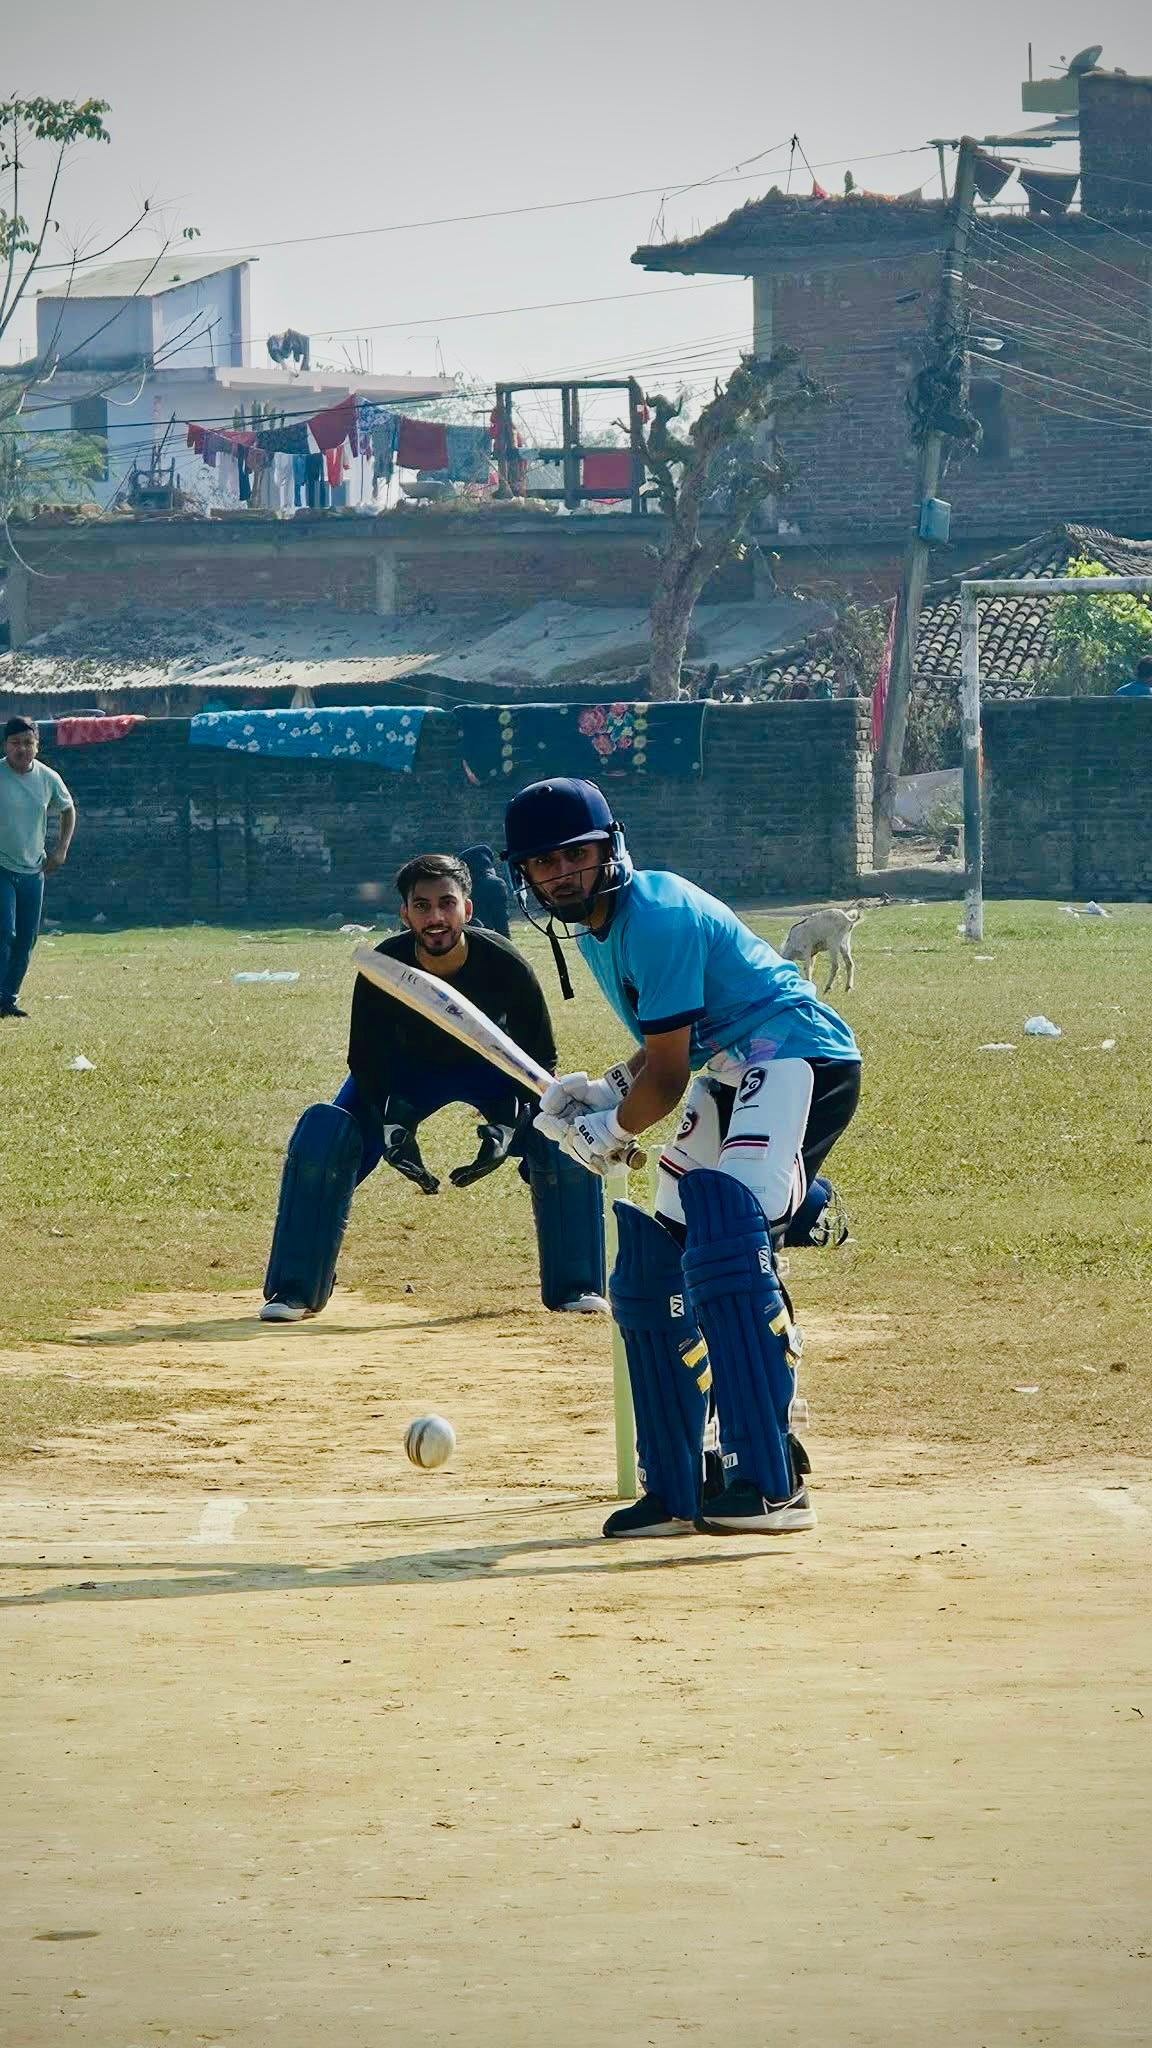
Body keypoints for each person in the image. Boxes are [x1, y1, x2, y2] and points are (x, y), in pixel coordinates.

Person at [502, 777, 861, 1540]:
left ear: (609, 849)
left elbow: (666, 1080)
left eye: (575, 855)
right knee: (656, 1259)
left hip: (799, 1055)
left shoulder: (655, 916)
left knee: (730, 1242)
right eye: (543, 863)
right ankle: (678, 1484)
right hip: (732, 1066)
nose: (561, 874)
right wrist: (606, 1090)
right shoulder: (599, 929)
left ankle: (773, 1479)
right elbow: (671, 1047)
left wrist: (612, 1129)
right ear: (525, 874)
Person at [261, 851, 606, 1322]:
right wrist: (390, 1122)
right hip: (406, 1074)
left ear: (468, 909)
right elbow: (364, 1059)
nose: (436, 917)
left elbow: (540, 1062)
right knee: (325, 1135)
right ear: (405, 914)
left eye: (447, 903)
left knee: (568, 1128)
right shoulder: (385, 966)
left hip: (492, 1072)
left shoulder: (505, 964)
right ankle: (294, 1288)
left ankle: (576, 1285)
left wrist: (511, 1121)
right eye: (422, 906)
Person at [0, 716, 76, 1020]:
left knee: (27, 937)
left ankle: (7, 998)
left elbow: (68, 809)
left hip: (33, 869)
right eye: (15, 743)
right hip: (1, 866)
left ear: (37, 745)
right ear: (5, 745)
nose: (22, 749)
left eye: (28, 743)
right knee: (4, 930)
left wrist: (61, 850)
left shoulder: (47, 777)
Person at [458, 843, 512, 937]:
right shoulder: (496, 883)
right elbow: (501, 918)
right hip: (488, 935)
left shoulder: (459, 885)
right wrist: (505, 940)